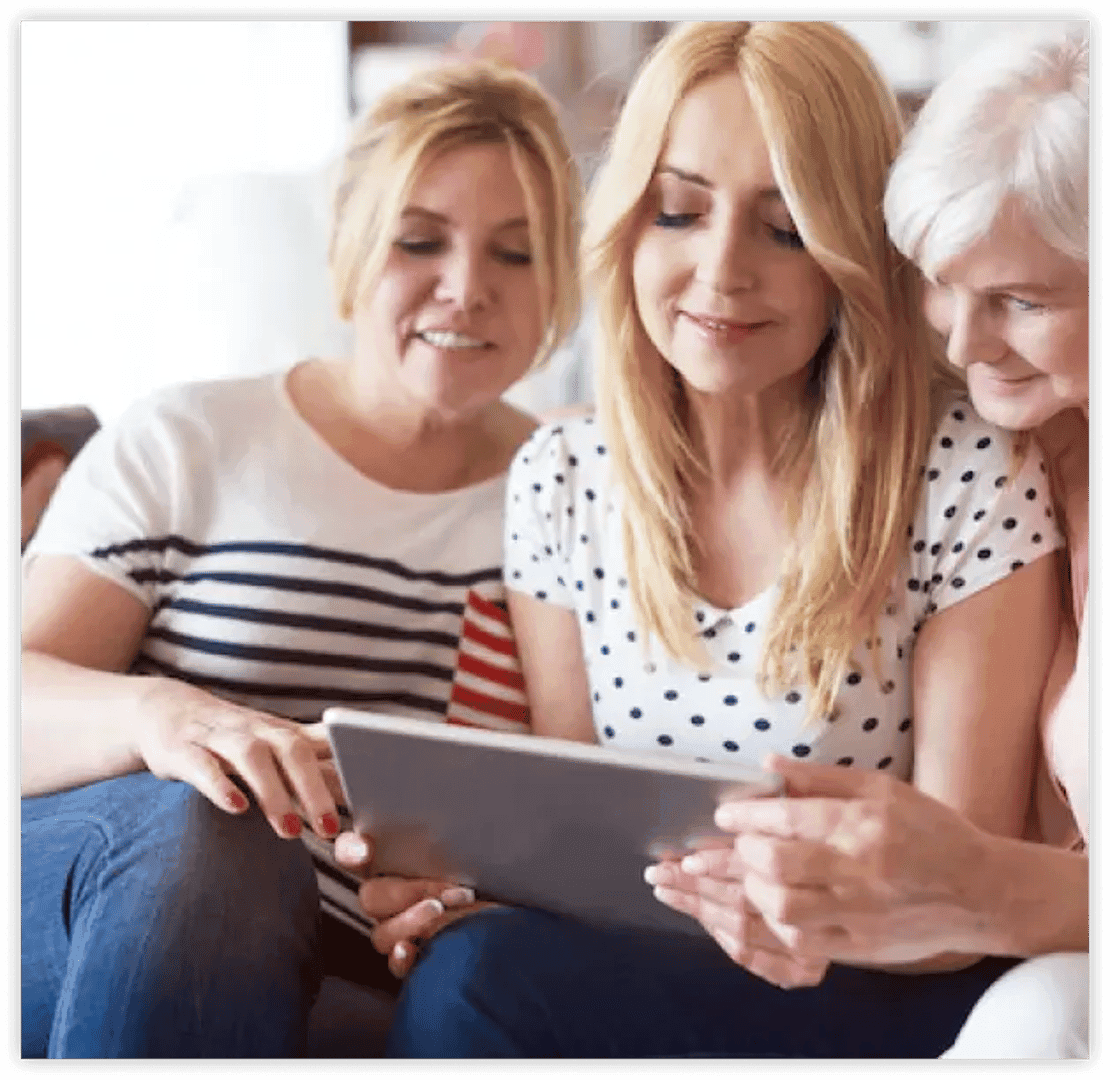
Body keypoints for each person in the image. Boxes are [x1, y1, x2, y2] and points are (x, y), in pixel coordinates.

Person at [378, 21, 1069, 1059]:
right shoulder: (563, 480)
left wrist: (797, 908)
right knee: (470, 970)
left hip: (887, 980)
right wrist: (466, 891)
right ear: (630, 227)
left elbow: (962, 893)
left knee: (481, 989)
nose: (720, 270)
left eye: (785, 229)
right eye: (679, 212)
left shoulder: (968, 473)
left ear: (849, 259)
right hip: (654, 964)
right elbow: (575, 844)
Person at [20, 58, 580, 1059]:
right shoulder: (187, 438)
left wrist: (467, 906)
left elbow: (566, 813)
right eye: (420, 241)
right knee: (217, 822)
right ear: (348, 249)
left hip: (363, 972)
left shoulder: (574, 496)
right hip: (108, 905)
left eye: (518, 253)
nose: (467, 289)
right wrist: (166, 720)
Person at [685, 21, 1090, 1059]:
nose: (959, 340)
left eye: (1020, 300)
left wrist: (985, 887)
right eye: (939, 281)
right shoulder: (1031, 445)